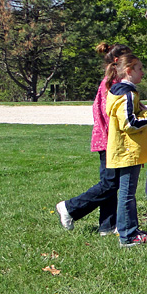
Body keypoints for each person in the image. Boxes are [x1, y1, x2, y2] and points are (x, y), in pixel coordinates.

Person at [56, 42, 131, 236]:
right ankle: (69, 208)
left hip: (108, 141)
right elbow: (111, 116)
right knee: (109, 184)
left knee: (110, 183)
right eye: (128, 61)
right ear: (118, 62)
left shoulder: (111, 83)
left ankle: (107, 226)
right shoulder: (113, 86)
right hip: (109, 142)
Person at [104, 52, 147, 247]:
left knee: (128, 193)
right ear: (128, 71)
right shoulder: (127, 94)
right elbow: (129, 123)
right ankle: (127, 236)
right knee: (127, 194)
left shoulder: (126, 92)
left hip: (128, 152)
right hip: (128, 152)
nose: (143, 72)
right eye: (140, 68)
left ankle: (131, 230)